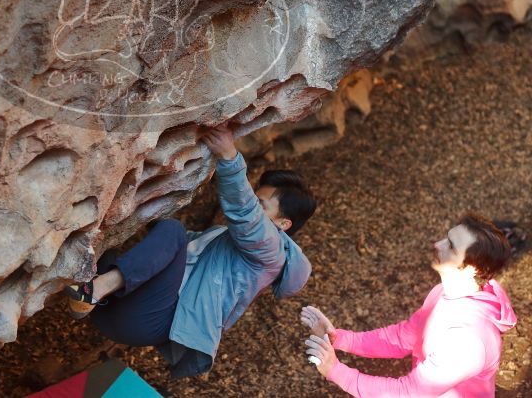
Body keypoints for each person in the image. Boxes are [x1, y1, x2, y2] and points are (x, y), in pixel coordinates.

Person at [64, 124, 317, 377]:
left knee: (173, 231)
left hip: (146, 320)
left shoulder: (272, 256)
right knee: (117, 244)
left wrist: (229, 157)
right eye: (254, 196)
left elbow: (245, 213)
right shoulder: (221, 237)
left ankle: (94, 290)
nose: (253, 203)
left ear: (282, 224)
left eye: (260, 204)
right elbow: (164, 254)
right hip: (114, 313)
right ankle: (91, 292)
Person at [301, 213, 517, 397]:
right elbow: (402, 337)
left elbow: (408, 393)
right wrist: (339, 338)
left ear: (472, 269)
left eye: (450, 245)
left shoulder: (467, 342)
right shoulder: (444, 293)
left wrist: (336, 371)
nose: (437, 244)